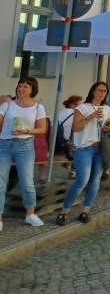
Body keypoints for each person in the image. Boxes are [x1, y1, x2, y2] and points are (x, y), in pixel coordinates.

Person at [58, 82, 110, 225]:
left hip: (101, 148)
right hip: (84, 148)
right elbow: (75, 128)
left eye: (105, 91)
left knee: (95, 181)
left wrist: (109, 128)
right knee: (82, 180)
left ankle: (85, 211)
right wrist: (91, 116)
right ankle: (64, 211)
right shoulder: (82, 108)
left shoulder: (107, 109)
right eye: (99, 90)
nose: (102, 93)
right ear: (93, 91)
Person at [0, 77, 49, 229]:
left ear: (32, 89)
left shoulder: (38, 107)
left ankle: (30, 214)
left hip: (25, 146)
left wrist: (26, 130)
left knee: (27, 182)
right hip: (5, 145)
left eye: (25, 87)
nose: (21, 89)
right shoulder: (8, 105)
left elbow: (42, 129)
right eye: (20, 86)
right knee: (0, 182)